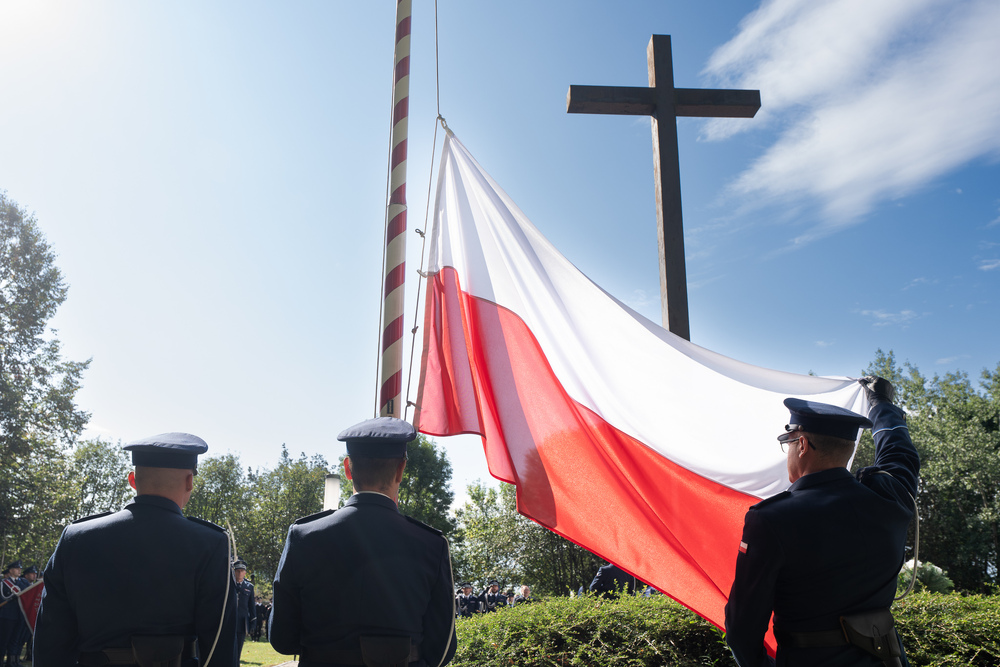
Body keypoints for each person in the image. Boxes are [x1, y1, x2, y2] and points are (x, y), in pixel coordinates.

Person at [725, 377, 919, 667]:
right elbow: (899, 452)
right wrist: (882, 404)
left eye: (787, 443)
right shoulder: (892, 498)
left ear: (801, 444)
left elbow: (743, 627)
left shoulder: (772, 519)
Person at [34, 433, 238, 667]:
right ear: (189, 481)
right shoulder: (209, 542)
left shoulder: (76, 537)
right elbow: (218, 646)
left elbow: (50, 642)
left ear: (132, 479)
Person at [269, 417, 457, 667]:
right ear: (401, 469)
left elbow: (282, 639)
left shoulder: (304, 536)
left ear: (347, 468)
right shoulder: (431, 544)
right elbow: (442, 648)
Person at [1, 562, 24, 667]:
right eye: (16, 568)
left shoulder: (22, 583)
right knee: (3, 640)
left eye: (20, 569)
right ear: (10, 570)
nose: (19, 570)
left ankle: (11, 662)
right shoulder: (4, 583)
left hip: (19, 615)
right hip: (7, 616)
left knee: (15, 640)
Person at [233, 559, 256, 663]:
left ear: (245, 573)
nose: (239, 573)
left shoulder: (249, 587)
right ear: (234, 571)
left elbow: (252, 607)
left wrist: (253, 623)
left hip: (241, 623)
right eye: (237, 571)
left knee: (238, 650)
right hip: (229, 622)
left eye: (242, 571)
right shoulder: (229, 585)